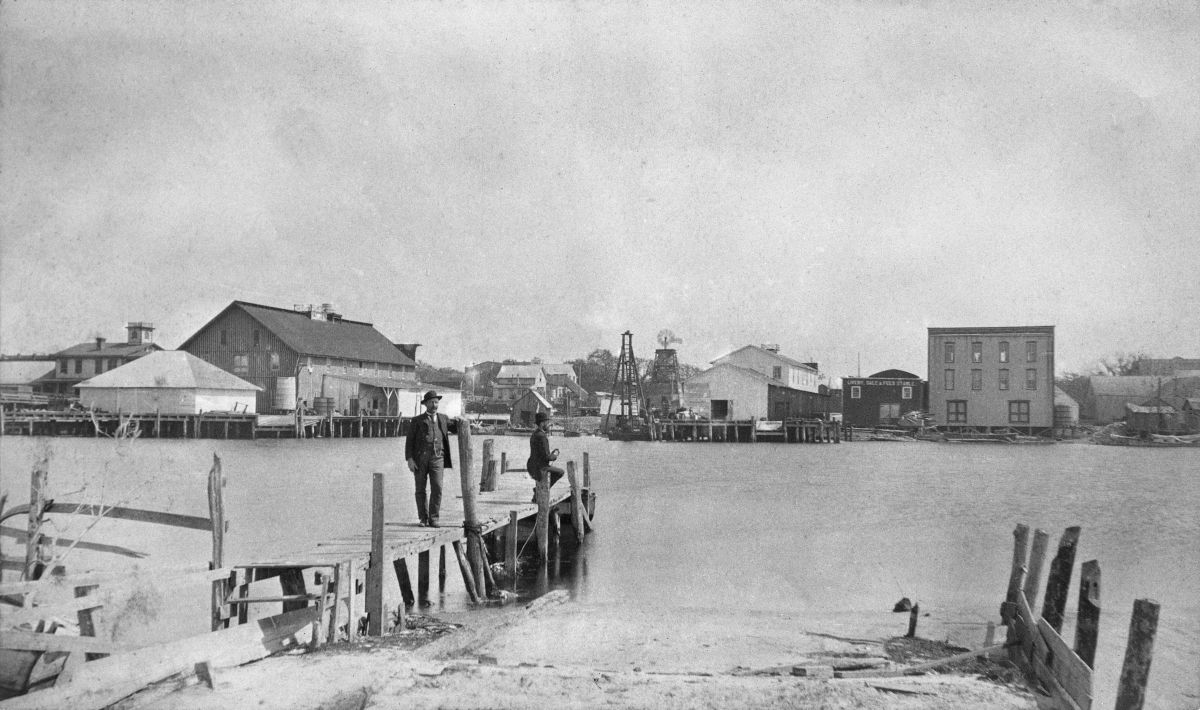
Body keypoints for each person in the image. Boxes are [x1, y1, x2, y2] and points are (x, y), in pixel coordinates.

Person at [405, 391, 456, 527]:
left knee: (437, 487)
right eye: (432, 402)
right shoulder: (417, 421)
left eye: (436, 402)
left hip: (438, 458)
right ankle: (423, 518)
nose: (434, 405)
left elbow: (457, 428)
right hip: (420, 459)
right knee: (420, 489)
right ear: (426, 404)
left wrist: (465, 422)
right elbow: (409, 441)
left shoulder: (443, 418)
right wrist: (410, 459)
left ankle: (434, 518)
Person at [527, 411, 564, 501]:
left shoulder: (535, 434)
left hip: (532, 465)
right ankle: (539, 490)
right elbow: (546, 457)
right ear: (542, 423)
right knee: (560, 472)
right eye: (547, 423)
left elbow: (541, 454)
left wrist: (549, 455)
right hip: (540, 467)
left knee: (552, 471)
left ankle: (538, 491)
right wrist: (554, 456)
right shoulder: (542, 436)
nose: (549, 425)